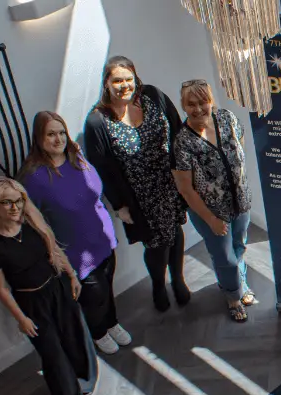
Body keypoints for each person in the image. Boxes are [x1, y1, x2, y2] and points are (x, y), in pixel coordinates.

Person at [0, 177, 96, 395]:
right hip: (32, 303)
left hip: (58, 288)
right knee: (52, 354)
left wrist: (72, 276)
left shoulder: (32, 224)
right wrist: (21, 318)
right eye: (7, 202)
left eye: (18, 200)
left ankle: (83, 383)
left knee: (74, 339)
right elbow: (1, 289)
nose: (15, 207)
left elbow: (54, 250)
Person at [19, 111, 132, 355]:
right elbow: (33, 221)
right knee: (93, 297)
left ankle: (111, 323)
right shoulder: (33, 177)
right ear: (39, 138)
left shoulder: (76, 157)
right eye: (51, 134)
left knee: (107, 286)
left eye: (61, 133)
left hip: (102, 238)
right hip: (76, 251)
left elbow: (96, 191)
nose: (58, 139)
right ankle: (98, 332)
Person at [84, 55, 190, 312]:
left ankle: (178, 279)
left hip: (169, 183)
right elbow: (102, 168)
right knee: (156, 244)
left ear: (136, 78)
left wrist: (186, 172)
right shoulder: (98, 120)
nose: (124, 85)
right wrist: (119, 205)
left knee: (175, 231)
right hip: (139, 195)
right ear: (107, 83)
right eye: (117, 80)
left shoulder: (152, 95)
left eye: (128, 79)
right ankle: (158, 285)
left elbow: (176, 129)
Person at [172, 79, 255, 323]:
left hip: (240, 201)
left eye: (203, 102)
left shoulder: (227, 118)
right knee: (224, 257)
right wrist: (211, 220)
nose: (198, 109)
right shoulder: (182, 142)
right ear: (183, 106)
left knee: (239, 245)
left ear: (211, 101)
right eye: (191, 104)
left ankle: (240, 282)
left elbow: (239, 146)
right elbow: (185, 189)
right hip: (211, 211)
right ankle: (232, 296)